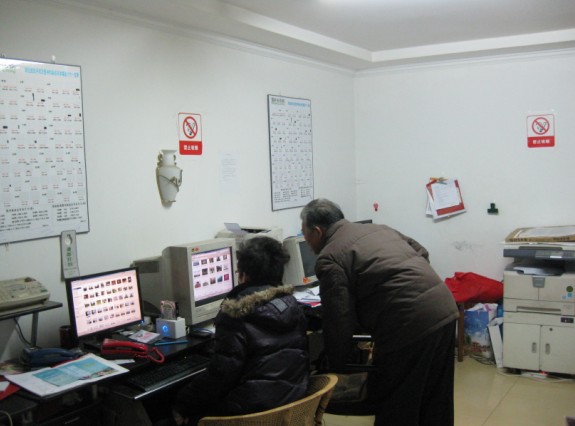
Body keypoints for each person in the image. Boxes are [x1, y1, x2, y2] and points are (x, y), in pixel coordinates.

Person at [300, 198, 459, 426]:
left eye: (305, 234)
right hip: (444, 308)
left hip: (408, 323)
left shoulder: (330, 256)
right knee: (435, 397)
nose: (306, 241)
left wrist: (337, 368)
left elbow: (338, 319)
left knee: (398, 403)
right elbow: (421, 251)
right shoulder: (379, 229)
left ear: (317, 231)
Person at [169, 236, 310, 425]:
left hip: (253, 415)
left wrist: (182, 402)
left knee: (166, 412)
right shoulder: (292, 306)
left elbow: (221, 376)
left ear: (243, 275)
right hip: (291, 406)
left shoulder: (236, 315)